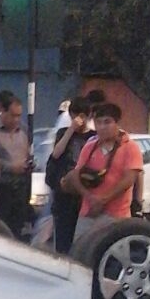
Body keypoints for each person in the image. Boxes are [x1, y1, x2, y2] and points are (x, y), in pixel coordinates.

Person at [62, 102, 143, 242]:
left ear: (117, 123)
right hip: (88, 214)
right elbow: (76, 174)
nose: (102, 127)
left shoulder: (130, 147)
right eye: (98, 123)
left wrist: (103, 200)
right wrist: (89, 197)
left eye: (107, 122)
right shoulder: (90, 146)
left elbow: (129, 179)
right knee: (80, 254)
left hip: (116, 216)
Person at [47, 96, 95, 253]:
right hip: (64, 194)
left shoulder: (93, 137)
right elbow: (56, 154)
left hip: (85, 194)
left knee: (84, 241)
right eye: (75, 116)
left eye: (82, 116)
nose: (78, 120)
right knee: (62, 241)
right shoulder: (64, 133)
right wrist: (70, 130)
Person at [0, 95, 32, 240]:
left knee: (18, 230)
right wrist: (10, 167)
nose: (16, 120)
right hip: (1, 187)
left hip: (21, 187)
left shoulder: (24, 130)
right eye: (12, 115)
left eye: (19, 116)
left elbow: (28, 152)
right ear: (3, 112)